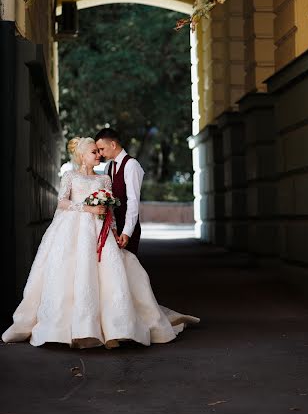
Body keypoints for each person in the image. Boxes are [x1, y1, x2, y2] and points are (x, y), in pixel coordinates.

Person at [2, 137, 199, 349]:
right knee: (68, 271)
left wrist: (114, 231)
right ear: (82, 156)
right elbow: (62, 203)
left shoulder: (104, 179)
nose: (99, 155)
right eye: (94, 152)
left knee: (109, 273)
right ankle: (67, 327)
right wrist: (88, 209)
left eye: (99, 151)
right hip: (72, 229)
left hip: (100, 230)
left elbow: (111, 212)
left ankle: (115, 328)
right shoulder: (70, 176)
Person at [95, 128, 143, 255]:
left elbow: (133, 201)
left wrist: (127, 232)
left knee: (130, 267)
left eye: (102, 149)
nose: (100, 154)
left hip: (128, 227)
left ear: (113, 144)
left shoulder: (131, 165)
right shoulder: (108, 167)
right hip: (112, 227)